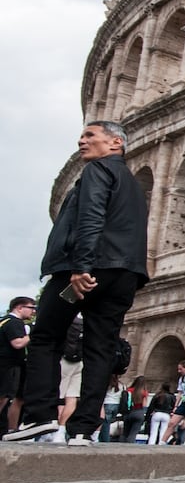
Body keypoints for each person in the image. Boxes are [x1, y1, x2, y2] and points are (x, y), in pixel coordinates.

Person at [5, 122, 148, 446]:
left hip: (86, 274)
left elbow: (91, 215)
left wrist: (80, 266)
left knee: (45, 335)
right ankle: (83, 428)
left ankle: (40, 415)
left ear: (115, 143)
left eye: (89, 136)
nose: (81, 141)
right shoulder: (132, 184)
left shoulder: (99, 170)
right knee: (100, 347)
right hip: (123, 277)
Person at [1, 297, 35, 434]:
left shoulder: (3, 320)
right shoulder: (15, 323)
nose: (33, 312)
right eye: (31, 308)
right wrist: (33, 331)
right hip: (8, 365)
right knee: (3, 397)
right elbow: (18, 343)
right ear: (19, 308)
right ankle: (11, 429)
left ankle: (9, 428)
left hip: (5, 364)